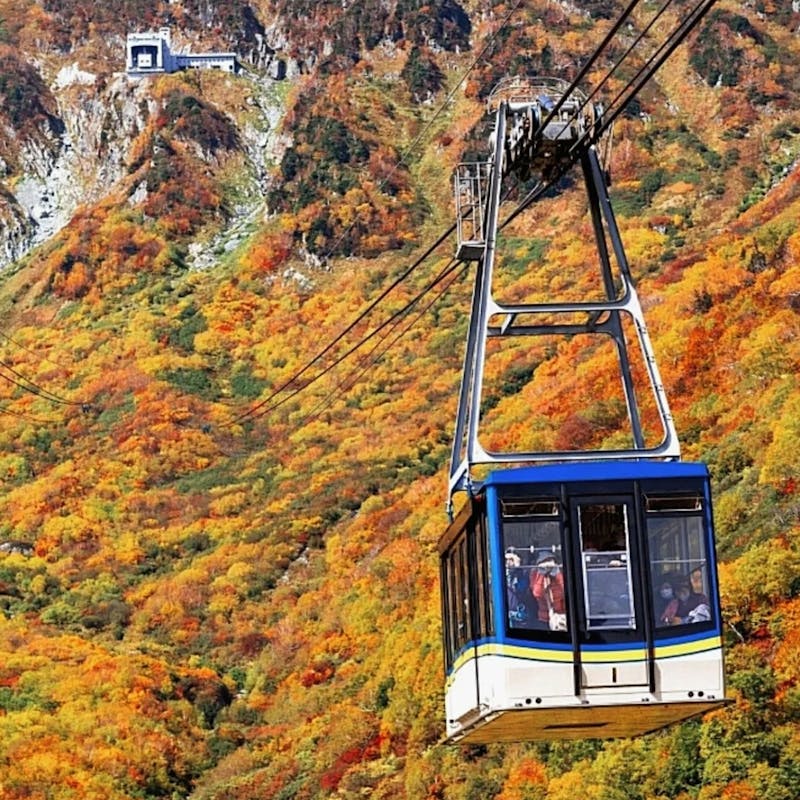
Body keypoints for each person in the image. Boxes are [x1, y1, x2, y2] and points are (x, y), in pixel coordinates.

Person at [530, 555, 567, 631]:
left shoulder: (560, 573)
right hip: (544, 618)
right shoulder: (535, 574)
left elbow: (565, 591)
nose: (547, 567)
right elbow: (537, 593)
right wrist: (541, 574)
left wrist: (556, 574)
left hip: (561, 617)